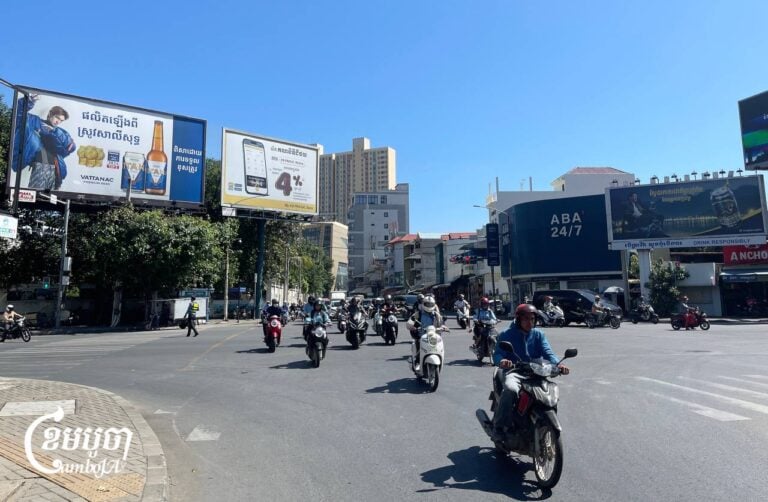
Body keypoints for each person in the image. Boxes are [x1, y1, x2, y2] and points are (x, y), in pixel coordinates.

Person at [491, 304, 570, 437]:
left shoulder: (538, 334)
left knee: (549, 393)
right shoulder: (506, 334)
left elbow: (548, 353)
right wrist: (502, 361)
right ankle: (499, 427)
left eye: (532, 319)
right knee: (510, 389)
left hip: (536, 371)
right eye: (526, 319)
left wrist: (558, 365)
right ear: (518, 319)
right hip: (514, 372)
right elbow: (497, 354)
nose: (530, 322)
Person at [13, 94, 76, 190]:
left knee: (48, 201)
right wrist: (29, 101)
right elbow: (18, 114)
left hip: (56, 173)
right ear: (50, 114)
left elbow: (70, 147)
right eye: (57, 118)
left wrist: (53, 132)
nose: (58, 121)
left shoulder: (60, 132)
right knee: (36, 195)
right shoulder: (35, 121)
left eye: (61, 120)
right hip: (39, 166)